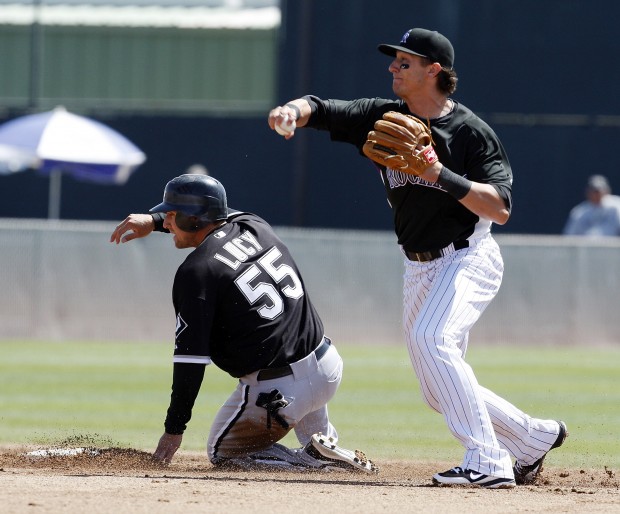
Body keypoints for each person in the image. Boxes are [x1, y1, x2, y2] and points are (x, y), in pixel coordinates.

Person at [268, 27, 567, 488]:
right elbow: (322, 108)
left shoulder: (470, 132)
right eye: (394, 60)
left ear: (435, 71)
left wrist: (437, 172)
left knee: (433, 342)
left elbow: (500, 208)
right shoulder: (383, 115)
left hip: (468, 256)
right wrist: (292, 111)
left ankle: (487, 459)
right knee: (436, 389)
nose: (393, 67)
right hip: (418, 264)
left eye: (404, 62)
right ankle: (531, 439)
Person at [109, 173, 378, 473]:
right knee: (314, 437)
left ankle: (313, 463)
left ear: (195, 219)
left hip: (281, 389)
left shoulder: (197, 271)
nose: (167, 221)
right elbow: (223, 211)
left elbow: (190, 362)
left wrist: (174, 430)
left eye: (172, 215)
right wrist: (155, 220)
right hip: (327, 365)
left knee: (223, 453)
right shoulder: (253, 224)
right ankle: (323, 452)